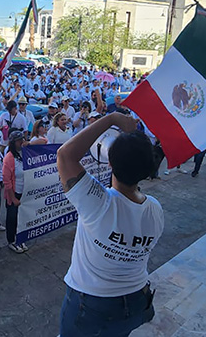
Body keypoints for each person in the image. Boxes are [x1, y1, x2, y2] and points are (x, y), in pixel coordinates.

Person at [56, 112, 163, 337]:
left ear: (110, 162)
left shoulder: (98, 203)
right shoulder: (155, 210)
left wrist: (112, 118)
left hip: (90, 302)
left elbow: (65, 155)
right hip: (135, 299)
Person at [3, 131, 27, 254]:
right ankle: (11, 241)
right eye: (19, 140)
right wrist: (13, 198)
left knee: (21, 218)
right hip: (14, 192)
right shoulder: (9, 158)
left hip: (24, 191)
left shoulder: (24, 152)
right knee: (12, 218)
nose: (21, 142)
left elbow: (42, 141)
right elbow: (6, 181)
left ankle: (20, 237)